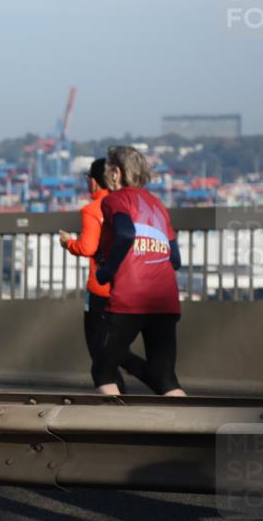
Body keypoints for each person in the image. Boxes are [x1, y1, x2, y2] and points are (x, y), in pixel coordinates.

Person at [91, 146, 186, 397]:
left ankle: (114, 429)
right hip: (165, 300)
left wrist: (108, 270)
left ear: (116, 172)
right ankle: (195, 431)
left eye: (107, 170)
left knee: (102, 369)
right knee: (164, 378)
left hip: (130, 298)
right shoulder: (157, 206)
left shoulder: (115, 200)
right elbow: (175, 259)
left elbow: (125, 233)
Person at [58, 158, 148, 392]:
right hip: (130, 288)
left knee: (99, 352)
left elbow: (87, 248)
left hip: (100, 290)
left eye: (87, 176)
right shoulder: (128, 205)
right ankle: (162, 382)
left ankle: (118, 402)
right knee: (117, 350)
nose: (87, 181)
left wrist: (69, 243)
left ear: (96, 182)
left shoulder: (93, 209)